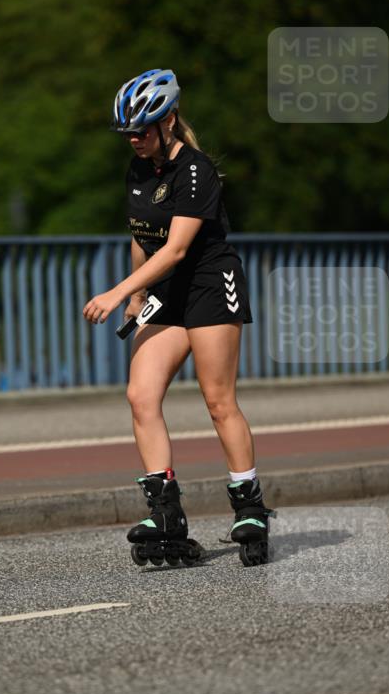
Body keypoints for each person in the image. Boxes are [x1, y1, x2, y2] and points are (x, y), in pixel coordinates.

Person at [83, 68, 274, 566]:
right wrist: (137, 295)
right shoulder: (138, 169)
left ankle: (249, 508)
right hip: (167, 291)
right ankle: (165, 513)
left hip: (210, 283)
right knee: (140, 395)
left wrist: (117, 292)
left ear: (168, 120)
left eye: (141, 130)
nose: (133, 139)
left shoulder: (195, 171)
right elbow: (143, 237)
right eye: (127, 132)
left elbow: (176, 249)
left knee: (218, 401)